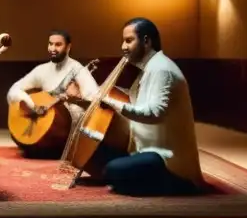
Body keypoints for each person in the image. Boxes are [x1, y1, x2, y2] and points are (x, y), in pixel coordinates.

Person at [66, 17, 204, 195]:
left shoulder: (162, 69)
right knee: (89, 152)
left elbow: (154, 114)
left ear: (146, 41)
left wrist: (109, 101)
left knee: (112, 171)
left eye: (129, 40)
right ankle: (134, 177)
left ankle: (176, 185)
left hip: (166, 159)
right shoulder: (150, 69)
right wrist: (85, 96)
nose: (123, 47)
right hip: (141, 149)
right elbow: (130, 99)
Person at [6, 29, 100, 156]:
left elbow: (95, 101)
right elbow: (15, 89)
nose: (53, 48)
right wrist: (31, 106)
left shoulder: (78, 70)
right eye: (50, 44)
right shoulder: (42, 70)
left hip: (65, 129)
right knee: (21, 135)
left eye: (58, 44)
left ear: (68, 47)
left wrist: (75, 99)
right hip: (44, 125)